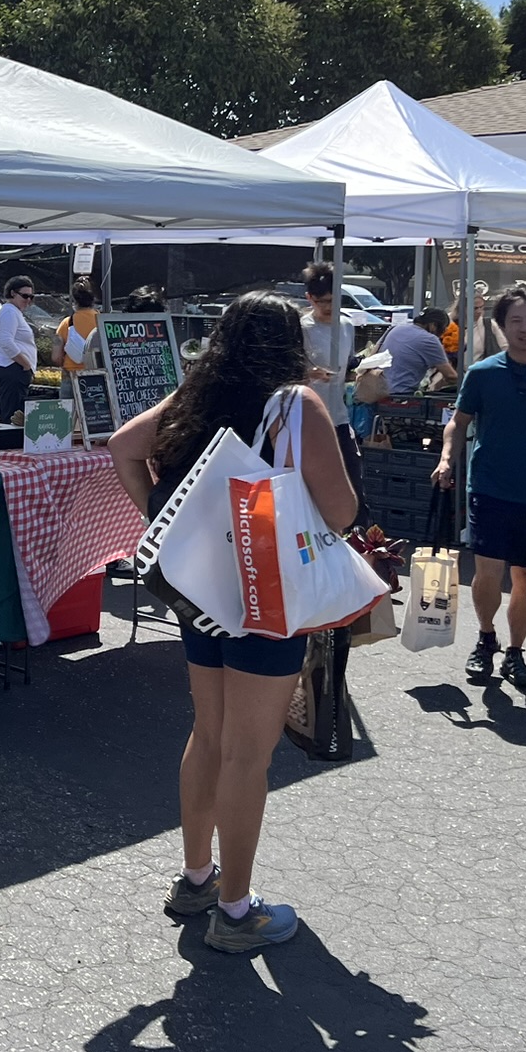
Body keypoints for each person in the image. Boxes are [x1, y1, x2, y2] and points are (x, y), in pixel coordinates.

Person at [107, 292, 358, 954]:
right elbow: (340, 511)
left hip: (202, 590)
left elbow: (122, 445)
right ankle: (236, 911)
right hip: (267, 596)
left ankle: (196, 877)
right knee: (250, 752)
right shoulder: (296, 405)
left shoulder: (197, 396)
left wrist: (164, 525)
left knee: (209, 735)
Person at [434, 287, 526, 692]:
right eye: (515, 321)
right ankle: (486, 638)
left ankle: (515, 652)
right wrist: (446, 457)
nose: (524, 328)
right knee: (488, 571)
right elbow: (458, 421)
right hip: (489, 488)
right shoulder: (482, 374)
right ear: (502, 328)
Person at [299, 261, 364, 514]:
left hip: (339, 415)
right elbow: (285, 373)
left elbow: (348, 364)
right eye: (321, 301)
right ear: (309, 298)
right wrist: (309, 373)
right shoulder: (302, 328)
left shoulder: (347, 325)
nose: (328, 307)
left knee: (352, 480)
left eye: (333, 300)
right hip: (309, 418)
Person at [379, 308, 457, 397]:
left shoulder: (396, 329)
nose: (441, 334)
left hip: (378, 391)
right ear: (433, 325)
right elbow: (451, 376)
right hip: (401, 394)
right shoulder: (430, 339)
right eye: (443, 330)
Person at [0, 275, 39, 422]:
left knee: (16, 416)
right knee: (12, 416)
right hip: (12, 369)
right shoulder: (9, 311)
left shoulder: (14, 312)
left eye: (31, 297)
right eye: (25, 296)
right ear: (12, 293)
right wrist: (25, 363)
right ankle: (8, 444)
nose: (28, 300)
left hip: (15, 369)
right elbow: (6, 342)